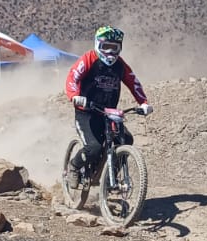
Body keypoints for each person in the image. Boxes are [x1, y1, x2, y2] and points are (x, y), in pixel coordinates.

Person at [65, 26, 152, 186]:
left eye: (114, 47)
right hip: (87, 113)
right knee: (93, 148)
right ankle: (74, 167)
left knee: (126, 139)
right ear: (98, 44)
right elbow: (73, 77)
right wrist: (75, 96)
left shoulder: (120, 65)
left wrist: (143, 103)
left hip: (108, 113)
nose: (110, 52)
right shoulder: (88, 59)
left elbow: (134, 82)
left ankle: (109, 178)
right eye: (106, 47)